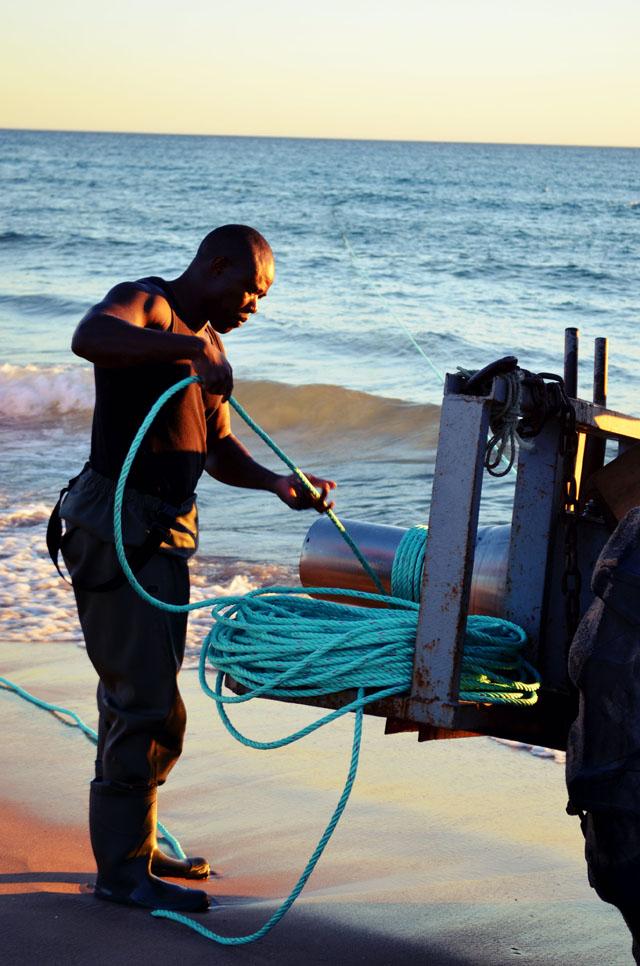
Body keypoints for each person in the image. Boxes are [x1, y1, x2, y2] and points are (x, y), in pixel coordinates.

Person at [56, 224, 336, 913]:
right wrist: (192, 345)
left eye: (263, 298)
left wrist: (276, 484)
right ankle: (121, 874)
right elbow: (89, 336)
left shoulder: (209, 355)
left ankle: (135, 847)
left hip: (163, 533)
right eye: (250, 289)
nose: (254, 306)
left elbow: (216, 452)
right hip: (117, 522)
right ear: (214, 266)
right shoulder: (149, 304)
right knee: (144, 701)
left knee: (140, 695)